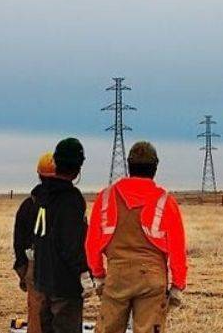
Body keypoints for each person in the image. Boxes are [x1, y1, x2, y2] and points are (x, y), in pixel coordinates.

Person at [86, 141, 188, 333]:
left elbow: (92, 242)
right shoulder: (166, 201)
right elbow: (177, 247)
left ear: (129, 165)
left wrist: (98, 275)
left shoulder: (106, 197)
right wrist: (178, 284)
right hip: (152, 280)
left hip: (117, 277)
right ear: (155, 167)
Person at [32, 138, 94, 333]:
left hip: (43, 281)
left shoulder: (41, 195)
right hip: (65, 285)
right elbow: (71, 243)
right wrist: (83, 272)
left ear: (56, 162)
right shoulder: (71, 199)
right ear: (78, 167)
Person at [13, 152, 57, 333]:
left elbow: (19, 242)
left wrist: (23, 271)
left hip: (35, 266)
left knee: (36, 318)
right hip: (63, 267)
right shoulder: (69, 204)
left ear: (39, 174)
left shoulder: (28, 205)